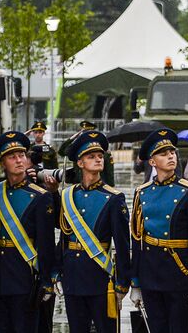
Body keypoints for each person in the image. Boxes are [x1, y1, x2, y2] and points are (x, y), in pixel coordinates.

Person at [129, 128, 188, 333]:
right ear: (152, 162)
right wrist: (135, 282)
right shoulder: (142, 192)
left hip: (178, 272)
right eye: (163, 154)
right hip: (150, 273)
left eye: (172, 152)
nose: (170, 157)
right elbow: (137, 239)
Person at [58, 128, 132, 333]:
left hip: (101, 277)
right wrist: (57, 271)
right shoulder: (68, 196)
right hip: (72, 276)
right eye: (91, 156)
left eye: (100, 156)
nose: (98, 159)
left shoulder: (114, 198)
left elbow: (123, 244)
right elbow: (64, 239)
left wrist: (122, 282)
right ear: (80, 163)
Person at [0, 131, 56, 333]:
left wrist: (46, 280)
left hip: (25, 276)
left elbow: (46, 243)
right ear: (2, 164)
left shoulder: (40, 196)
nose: (18, 160)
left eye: (21, 155)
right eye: (11, 157)